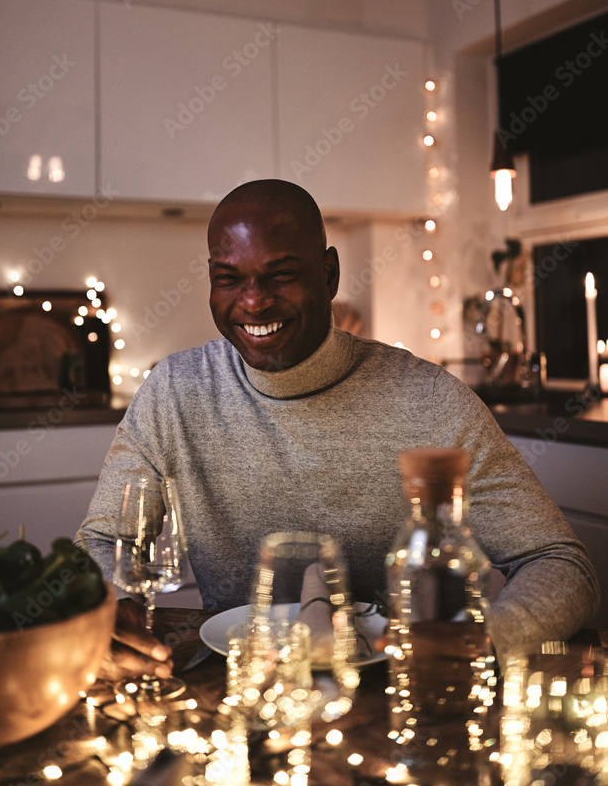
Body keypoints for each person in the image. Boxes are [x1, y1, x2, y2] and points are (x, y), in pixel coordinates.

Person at [77, 178, 600, 679]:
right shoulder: (173, 391)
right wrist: (107, 613)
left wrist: (487, 642)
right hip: (236, 684)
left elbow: (558, 563)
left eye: (281, 274)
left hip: (396, 683)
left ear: (328, 275)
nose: (253, 301)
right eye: (229, 278)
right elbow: (102, 542)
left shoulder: (429, 400)